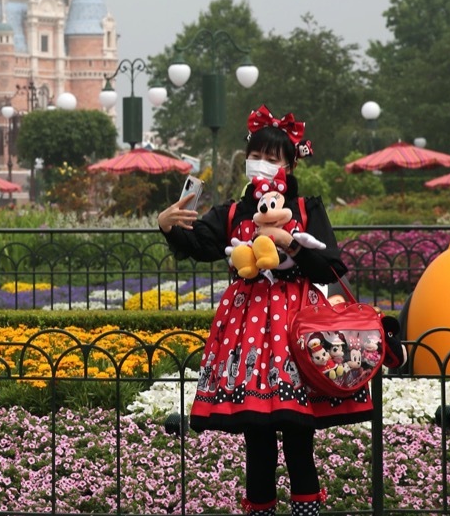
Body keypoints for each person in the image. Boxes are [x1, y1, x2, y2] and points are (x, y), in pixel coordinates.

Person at [157, 105, 374, 516]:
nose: (263, 165)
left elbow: (329, 265)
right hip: (248, 334)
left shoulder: (307, 209)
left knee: (297, 434)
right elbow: (202, 246)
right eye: (257, 156)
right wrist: (168, 225)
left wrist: (289, 243)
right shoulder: (234, 212)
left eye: (274, 158)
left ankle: (306, 509)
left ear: (291, 163)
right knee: (255, 436)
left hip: (297, 331)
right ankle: (259, 509)